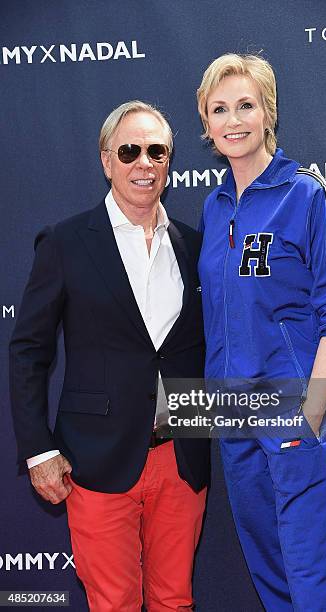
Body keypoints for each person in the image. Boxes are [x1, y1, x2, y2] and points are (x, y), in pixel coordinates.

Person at [9, 100, 209, 612]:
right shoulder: (66, 242)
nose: (144, 162)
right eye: (129, 150)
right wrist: (38, 450)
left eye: (156, 151)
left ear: (169, 162)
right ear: (106, 160)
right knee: (112, 603)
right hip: (94, 460)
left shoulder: (193, 244)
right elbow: (29, 350)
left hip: (180, 458)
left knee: (174, 602)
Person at [197, 54, 326, 611]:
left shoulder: (308, 193)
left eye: (245, 105)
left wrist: (311, 413)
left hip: (304, 414)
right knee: (274, 584)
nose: (233, 120)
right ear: (206, 123)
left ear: (268, 112)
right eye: (219, 109)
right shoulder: (214, 206)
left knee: (322, 590)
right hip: (239, 421)